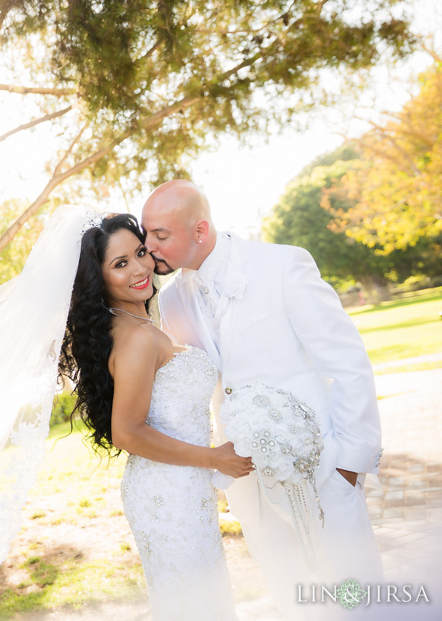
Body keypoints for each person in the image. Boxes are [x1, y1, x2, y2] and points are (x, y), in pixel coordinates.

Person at [141, 180, 384, 617]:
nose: (149, 246)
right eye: (147, 233)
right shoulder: (173, 298)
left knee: (357, 595)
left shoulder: (282, 265)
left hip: (322, 468)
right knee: (295, 599)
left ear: (199, 230)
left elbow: (348, 362)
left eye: (161, 235)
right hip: (249, 485)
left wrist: (350, 464)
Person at [59, 213, 252, 620]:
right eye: (120, 263)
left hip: (182, 484)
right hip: (167, 493)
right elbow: (127, 432)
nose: (140, 268)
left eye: (141, 252)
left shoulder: (139, 323)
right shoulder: (134, 338)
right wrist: (214, 458)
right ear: (99, 280)